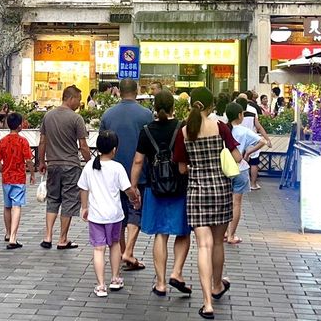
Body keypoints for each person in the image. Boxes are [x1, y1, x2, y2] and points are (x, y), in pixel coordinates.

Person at [173, 87, 242, 320]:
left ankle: (207, 304)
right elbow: (237, 157)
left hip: (197, 193)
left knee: (203, 245)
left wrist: (196, 167)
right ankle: (217, 285)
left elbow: (182, 168)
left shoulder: (184, 132)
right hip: (221, 191)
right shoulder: (220, 127)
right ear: (210, 106)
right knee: (218, 245)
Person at [130, 90, 191, 296]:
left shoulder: (146, 130)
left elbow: (138, 161)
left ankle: (161, 283)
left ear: (154, 108)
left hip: (155, 188)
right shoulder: (182, 128)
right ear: (174, 107)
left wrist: (133, 187)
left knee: (161, 234)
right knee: (182, 232)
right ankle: (177, 272)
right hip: (180, 187)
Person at [78, 130, 140, 297]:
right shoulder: (117, 167)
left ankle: (100, 285)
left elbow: (83, 188)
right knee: (114, 245)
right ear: (114, 149)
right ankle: (115, 278)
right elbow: (128, 190)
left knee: (98, 250)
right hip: (114, 215)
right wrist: (135, 200)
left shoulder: (90, 165)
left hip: (96, 215)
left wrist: (84, 207)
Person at [100, 77, 153, 270]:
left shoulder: (108, 115)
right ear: (136, 91)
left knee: (119, 215)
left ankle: (124, 252)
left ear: (119, 91)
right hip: (139, 172)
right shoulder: (146, 114)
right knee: (135, 211)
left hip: (112, 172)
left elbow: (101, 144)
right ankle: (128, 251)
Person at [38, 85, 91, 249]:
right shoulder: (76, 119)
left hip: (52, 164)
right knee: (68, 201)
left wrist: (41, 161)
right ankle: (62, 239)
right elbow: (83, 145)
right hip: (70, 165)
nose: (79, 104)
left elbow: (42, 142)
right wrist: (90, 162)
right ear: (71, 98)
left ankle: (48, 237)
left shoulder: (48, 116)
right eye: (78, 100)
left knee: (53, 199)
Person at [225, 102, 266, 245]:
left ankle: (223, 233)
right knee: (236, 203)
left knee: (225, 202)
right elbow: (262, 141)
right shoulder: (243, 131)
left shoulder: (222, 129)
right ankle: (231, 235)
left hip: (224, 171)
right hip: (240, 169)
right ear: (239, 115)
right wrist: (248, 151)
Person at [0, 112, 35, 249]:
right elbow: (28, 159)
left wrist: (2, 169)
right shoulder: (23, 141)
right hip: (18, 178)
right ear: (19, 126)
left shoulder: (3, 141)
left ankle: (7, 233)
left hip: (6, 178)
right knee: (16, 206)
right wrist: (32, 172)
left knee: (7, 206)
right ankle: (13, 237)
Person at [239, 95, 272, 190]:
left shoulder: (235, 114)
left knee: (238, 162)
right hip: (252, 141)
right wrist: (267, 139)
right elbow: (259, 127)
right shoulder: (252, 115)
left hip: (239, 142)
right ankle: (253, 184)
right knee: (254, 163)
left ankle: (240, 183)